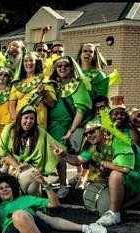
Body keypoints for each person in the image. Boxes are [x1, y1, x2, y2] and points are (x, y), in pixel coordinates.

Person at [53, 117, 140, 226]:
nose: (88, 136)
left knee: (115, 175)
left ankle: (114, 215)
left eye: (91, 132)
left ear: (103, 130)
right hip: (134, 175)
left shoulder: (119, 141)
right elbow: (77, 161)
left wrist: (106, 164)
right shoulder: (94, 147)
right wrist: (63, 154)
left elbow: (125, 169)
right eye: (86, 134)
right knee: (116, 202)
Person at [46, 55, 92, 198]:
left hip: (64, 126)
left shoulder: (78, 85)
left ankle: (64, 185)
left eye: (66, 65)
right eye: (59, 66)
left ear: (71, 68)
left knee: (59, 154)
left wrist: (71, 130)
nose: (62, 68)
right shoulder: (53, 85)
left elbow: (80, 110)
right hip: (49, 124)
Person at [0, 105, 62, 195]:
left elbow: (56, 148)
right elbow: (2, 151)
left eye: (32, 119)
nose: (28, 121)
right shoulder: (9, 129)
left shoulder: (39, 132)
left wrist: (65, 155)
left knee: (33, 174)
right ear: (20, 118)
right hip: (10, 165)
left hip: (30, 167)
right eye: (26, 118)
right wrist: (17, 166)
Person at [9, 51, 55, 130]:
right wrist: (16, 119)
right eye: (26, 61)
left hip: (38, 122)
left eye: (31, 60)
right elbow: (12, 104)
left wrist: (44, 93)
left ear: (36, 62)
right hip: (20, 122)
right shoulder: (17, 82)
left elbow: (52, 104)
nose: (29, 63)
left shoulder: (45, 79)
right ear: (22, 64)